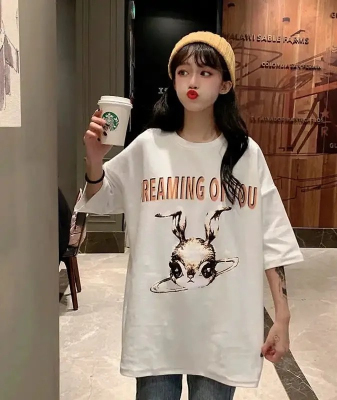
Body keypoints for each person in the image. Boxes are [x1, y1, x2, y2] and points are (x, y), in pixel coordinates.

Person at [75, 31, 303, 400]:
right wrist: (94, 159)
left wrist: (283, 315)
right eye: (183, 72)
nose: (192, 82)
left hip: (222, 326)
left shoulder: (246, 155)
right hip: (157, 325)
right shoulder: (149, 146)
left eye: (205, 73)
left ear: (225, 84)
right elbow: (101, 198)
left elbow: (272, 236)